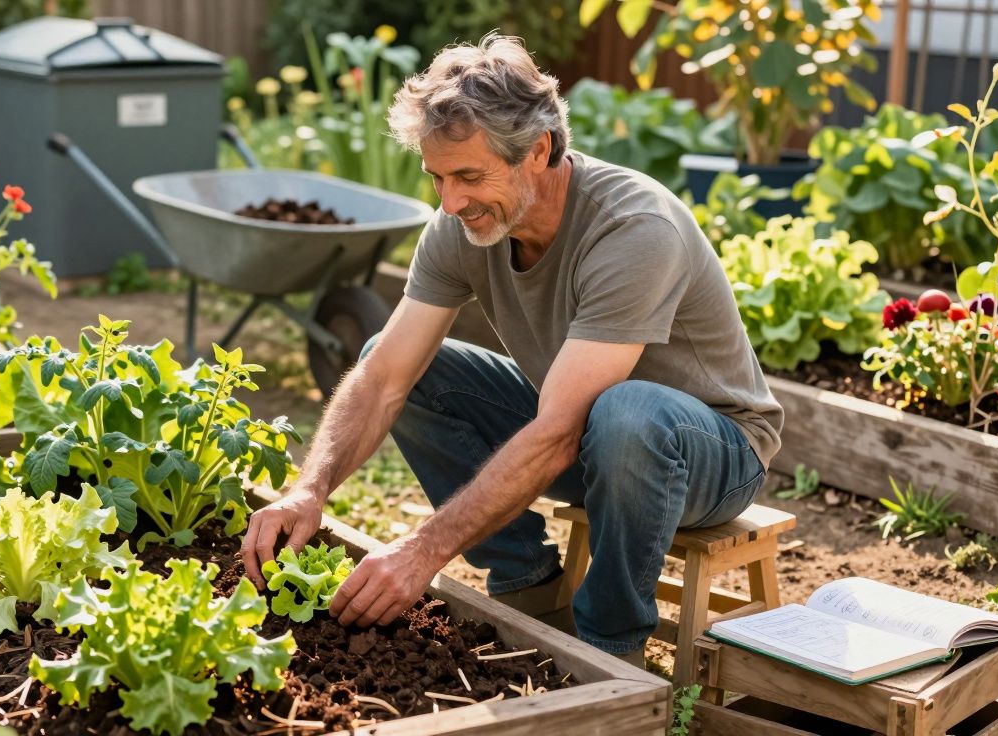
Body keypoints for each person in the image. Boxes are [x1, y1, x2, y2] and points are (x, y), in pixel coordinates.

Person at [241, 33, 783, 666]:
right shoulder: (459, 226)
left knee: (627, 413)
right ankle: (528, 582)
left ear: (538, 150)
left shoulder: (634, 229)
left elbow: (558, 430)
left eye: (470, 176)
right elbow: (387, 374)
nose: (450, 201)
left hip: (709, 452)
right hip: (589, 432)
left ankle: (610, 654)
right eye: (438, 177)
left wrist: (421, 551)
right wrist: (309, 489)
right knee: (404, 363)